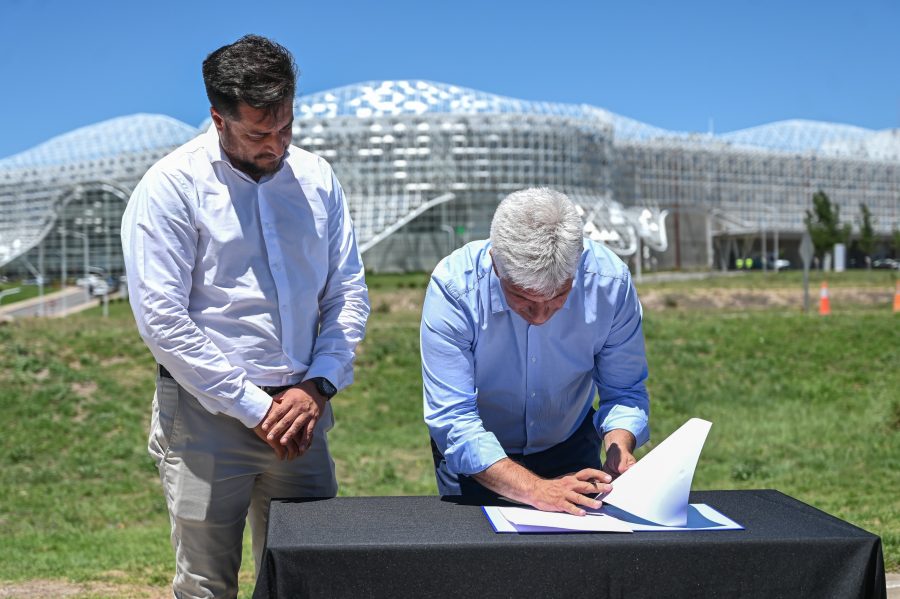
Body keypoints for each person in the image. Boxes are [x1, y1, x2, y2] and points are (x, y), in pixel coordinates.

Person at [121, 34, 369, 598]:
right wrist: (256, 407)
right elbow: (162, 319)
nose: (277, 145)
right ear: (218, 116)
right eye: (259, 132)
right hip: (210, 419)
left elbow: (348, 291)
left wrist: (318, 385)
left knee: (308, 577)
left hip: (303, 416)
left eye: (286, 126)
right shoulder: (171, 187)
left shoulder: (317, 179)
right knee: (208, 584)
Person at [421, 187, 649, 516]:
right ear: (497, 267)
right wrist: (536, 490)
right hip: (477, 455)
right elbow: (453, 419)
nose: (541, 316)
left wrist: (619, 444)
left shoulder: (610, 283)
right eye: (522, 298)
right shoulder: (454, 288)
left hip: (570, 441)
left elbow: (624, 389)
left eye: (559, 296)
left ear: (577, 266)